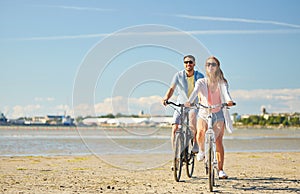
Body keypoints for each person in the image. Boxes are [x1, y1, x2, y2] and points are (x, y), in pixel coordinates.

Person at [186, 56, 234, 179]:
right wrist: (189, 102)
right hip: (203, 112)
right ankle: (201, 150)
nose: (210, 66)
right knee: (200, 132)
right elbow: (195, 92)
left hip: (218, 112)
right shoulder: (201, 82)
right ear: (206, 67)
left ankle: (220, 170)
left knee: (218, 141)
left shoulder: (222, 82)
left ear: (217, 67)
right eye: (208, 64)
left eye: (213, 64)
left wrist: (229, 101)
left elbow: (226, 93)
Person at [162, 55, 204, 152]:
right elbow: (172, 88)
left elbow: (202, 91)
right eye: (186, 62)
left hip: (194, 105)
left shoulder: (200, 76)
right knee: (174, 128)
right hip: (180, 104)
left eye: (190, 62)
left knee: (193, 123)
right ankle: (175, 155)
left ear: (194, 64)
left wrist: (202, 102)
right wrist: (166, 98)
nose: (188, 64)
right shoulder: (178, 75)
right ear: (184, 64)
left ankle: (195, 144)